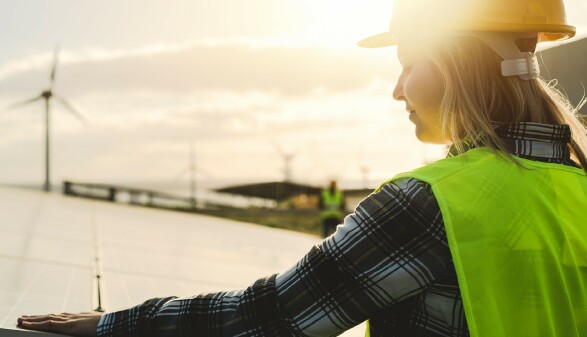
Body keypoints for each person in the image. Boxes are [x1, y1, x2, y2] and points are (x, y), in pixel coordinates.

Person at [18, 0, 587, 336]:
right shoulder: (576, 186)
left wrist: (112, 324)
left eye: (409, 65)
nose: (396, 91)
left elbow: (266, 317)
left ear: (456, 64)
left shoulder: (430, 203)